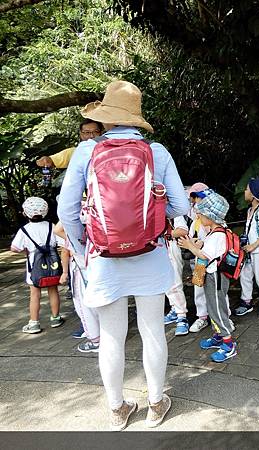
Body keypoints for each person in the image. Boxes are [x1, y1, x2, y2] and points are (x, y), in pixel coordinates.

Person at [58, 80, 189, 431]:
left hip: (103, 259)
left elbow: (66, 208)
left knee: (112, 336)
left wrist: (85, 246)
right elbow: (180, 204)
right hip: (150, 255)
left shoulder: (87, 151)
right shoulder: (157, 152)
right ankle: (156, 402)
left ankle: (117, 409)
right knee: (152, 332)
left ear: (107, 118)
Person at [178, 191, 237, 362]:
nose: (198, 216)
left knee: (217, 310)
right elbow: (208, 250)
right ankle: (219, 336)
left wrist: (190, 246)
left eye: (201, 214)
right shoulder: (216, 231)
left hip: (215, 278)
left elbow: (204, 256)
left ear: (210, 216)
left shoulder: (218, 234)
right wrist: (200, 243)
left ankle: (228, 343)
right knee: (213, 307)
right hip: (212, 276)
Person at [11, 197, 64, 334]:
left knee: (35, 294)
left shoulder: (24, 230)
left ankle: (34, 323)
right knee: (53, 290)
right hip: (52, 264)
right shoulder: (51, 226)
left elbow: (14, 248)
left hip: (33, 265)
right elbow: (62, 242)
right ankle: (56, 318)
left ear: (25, 213)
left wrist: (27, 250)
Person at [55, 219, 100, 352]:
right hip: (102, 266)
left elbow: (58, 230)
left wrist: (64, 272)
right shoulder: (101, 224)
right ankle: (111, 337)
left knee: (85, 307)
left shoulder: (74, 233)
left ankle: (96, 341)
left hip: (82, 269)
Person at [235, 178, 259, 318]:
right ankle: (246, 301)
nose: (244, 192)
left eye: (247, 189)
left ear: (254, 194)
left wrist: (253, 246)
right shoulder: (251, 209)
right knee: (245, 275)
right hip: (249, 250)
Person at [186, 183, 211, 333]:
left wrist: (201, 242)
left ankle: (223, 316)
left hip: (213, 260)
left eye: (196, 198)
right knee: (198, 287)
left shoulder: (212, 217)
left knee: (217, 288)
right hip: (199, 259)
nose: (194, 203)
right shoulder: (196, 220)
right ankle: (202, 317)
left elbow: (217, 235)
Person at [36, 119, 102, 169]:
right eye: (87, 132)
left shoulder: (110, 146)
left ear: (101, 133)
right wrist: (45, 160)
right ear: (81, 134)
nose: (92, 136)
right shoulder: (75, 152)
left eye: (96, 132)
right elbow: (49, 160)